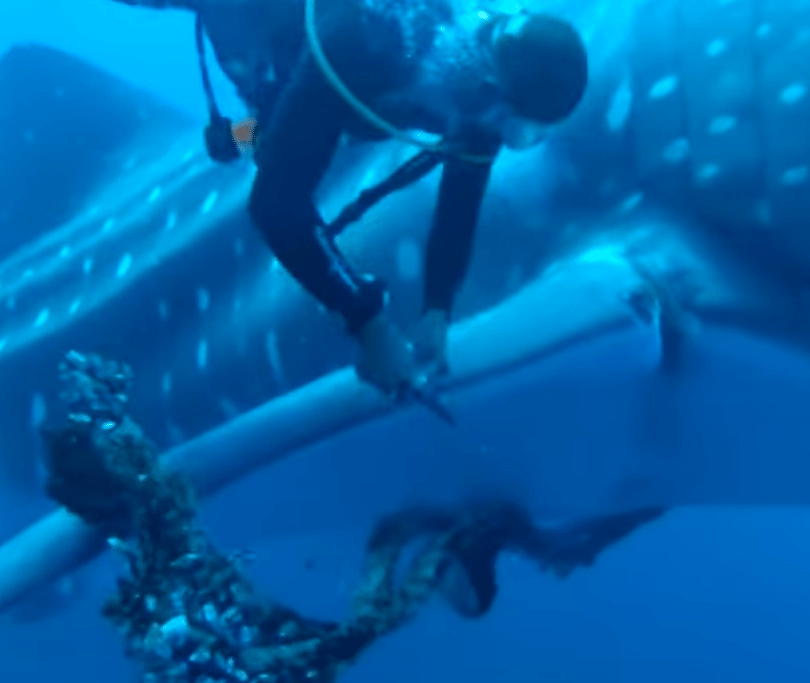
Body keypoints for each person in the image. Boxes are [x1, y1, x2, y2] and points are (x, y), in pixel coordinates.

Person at [112, 0, 589, 401]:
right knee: (275, 140)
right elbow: (276, 205)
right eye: (517, 130)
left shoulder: (479, 110)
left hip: (300, 82)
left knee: (270, 133)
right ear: (485, 88)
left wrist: (437, 310)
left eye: (525, 136)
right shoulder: (364, 42)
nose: (506, 140)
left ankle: (237, 137)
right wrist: (369, 324)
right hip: (273, 34)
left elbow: (458, 211)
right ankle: (239, 136)